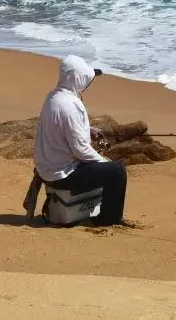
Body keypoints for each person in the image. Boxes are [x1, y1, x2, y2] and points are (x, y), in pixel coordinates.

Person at [32, 54, 127, 225]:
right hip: (62, 175)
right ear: (76, 79)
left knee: (106, 167)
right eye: (85, 79)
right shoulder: (70, 106)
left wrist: (88, 130)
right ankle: (108, 220)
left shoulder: (53, 97)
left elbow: (63, 129)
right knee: (117, 171)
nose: (87, 84)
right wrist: (103, 162)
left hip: (47, 169)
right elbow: (80, 150)